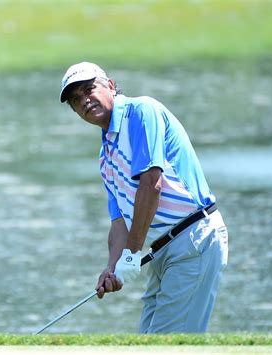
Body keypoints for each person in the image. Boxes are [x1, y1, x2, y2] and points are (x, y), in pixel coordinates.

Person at [59, 62, 228, 333]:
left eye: (89, 90)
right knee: (149, 341)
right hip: (164, 249)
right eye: (76, 100)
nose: (84, 101)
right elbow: (120, 223)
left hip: (195, 238)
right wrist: (112, 266)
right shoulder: (106, 157)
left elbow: (152, 184)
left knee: (169, 344)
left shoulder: (140, 112)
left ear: (110, 86)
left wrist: (132, 253)